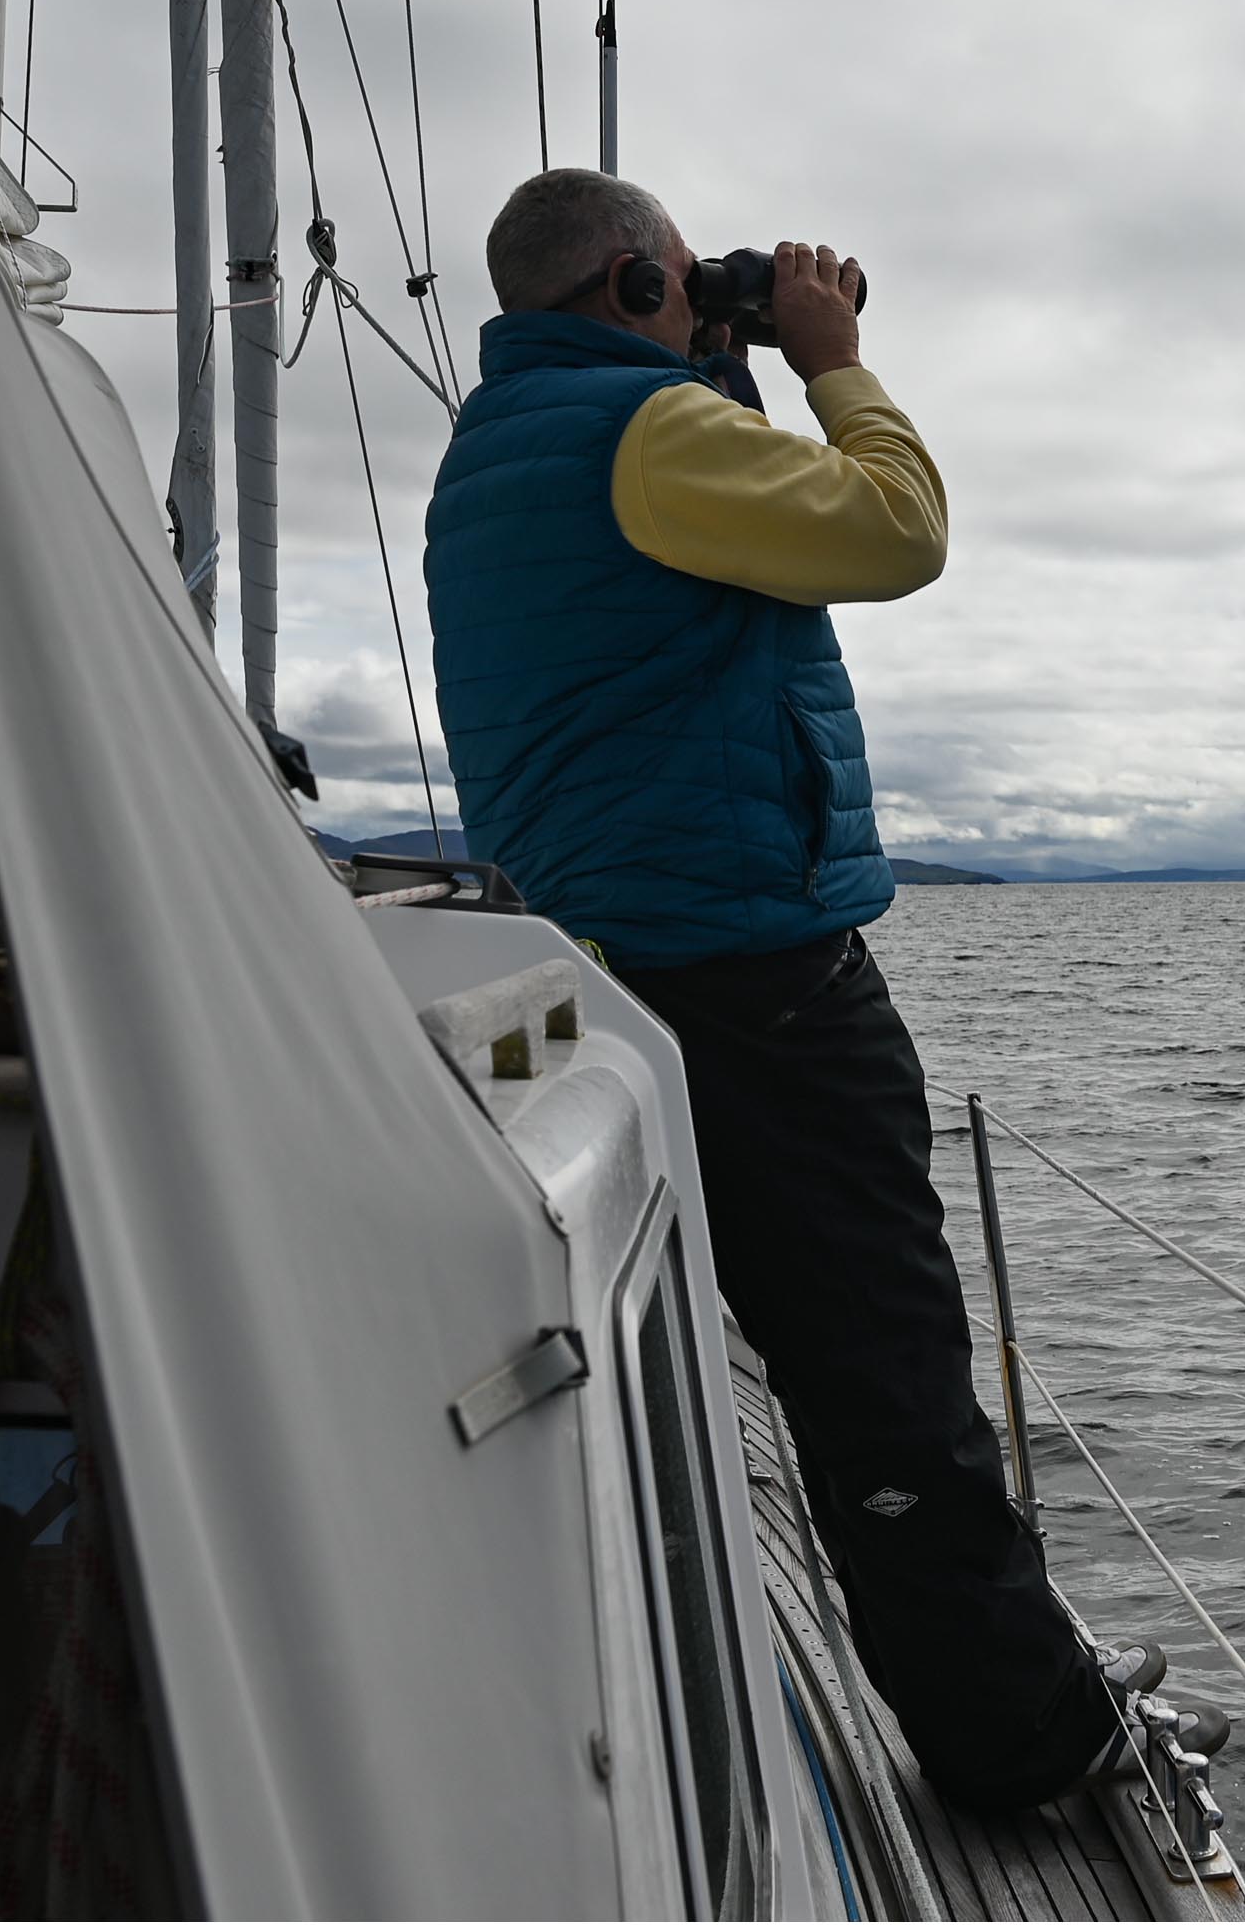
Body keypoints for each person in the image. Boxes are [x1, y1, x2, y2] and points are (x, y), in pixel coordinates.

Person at [423, 169, 1173, 1809]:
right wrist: (834, 360)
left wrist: (722, 357)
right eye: (685, 288)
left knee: (809, 1360)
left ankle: (975, 1681)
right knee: (883, 1370)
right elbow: (894, 535)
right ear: (630, 286)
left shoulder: (510, 450)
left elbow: (722, 556)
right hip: (757, 984)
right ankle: (1019, 1741)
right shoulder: (647, 441)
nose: (708, 307)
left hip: (617, 966)